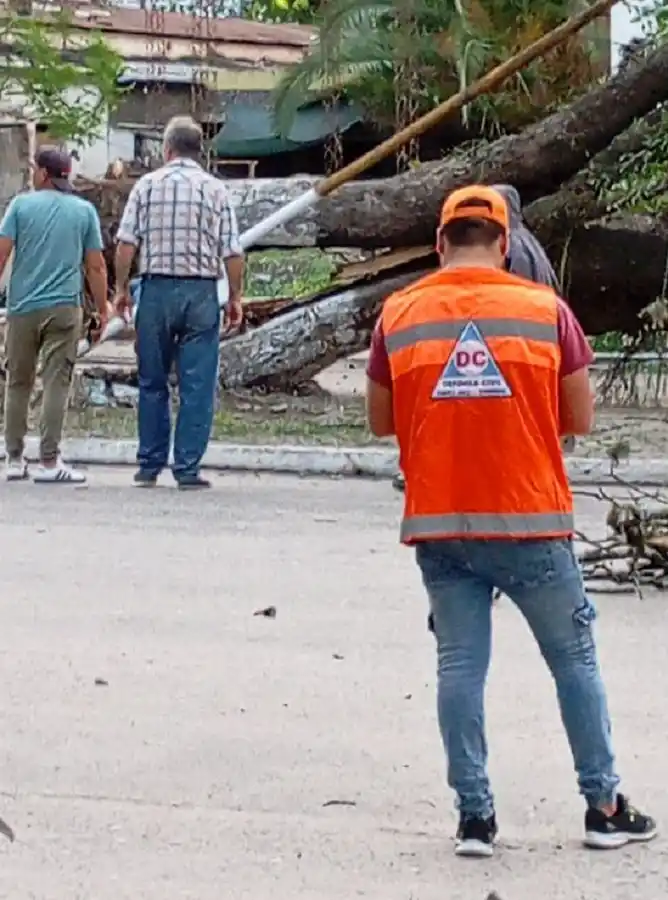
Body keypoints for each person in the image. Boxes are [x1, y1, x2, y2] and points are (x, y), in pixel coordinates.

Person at [366, 185, 656, 857]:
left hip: (440, 524)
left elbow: (382, 420)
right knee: (574, 661)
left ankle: (475, 819)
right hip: (530, 519)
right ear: (504, 243)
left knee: (460, 666)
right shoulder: (545, 311)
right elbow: (579, 418)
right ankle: (604, 806)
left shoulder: (399, 314)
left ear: (441, 243)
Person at [114, 115, 244, 490]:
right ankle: (186, 466)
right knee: (196, 384)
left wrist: (122, 289)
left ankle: (149, 464)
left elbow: (126, 243)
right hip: (201, 293)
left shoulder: (146, 186)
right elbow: (232, 251)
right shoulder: (216, 190)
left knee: (152, 380)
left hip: (155, 290)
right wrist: (234, 295)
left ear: (167, 149)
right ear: (198, 151)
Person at [0, 147, 108, 484]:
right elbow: (95, 265)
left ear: (45, 173)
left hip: (22, 308)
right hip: (64, 307)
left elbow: (1, 253)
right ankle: (49, 461)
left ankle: (14, 458)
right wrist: (102, 308)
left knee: (18, 381)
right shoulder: (83, 211)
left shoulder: (20, 206)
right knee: (56, 382)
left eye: (35, 168)